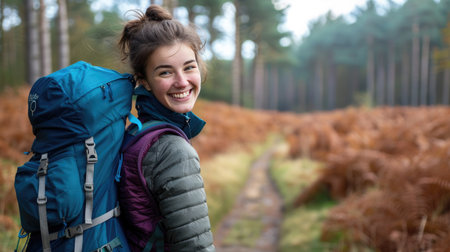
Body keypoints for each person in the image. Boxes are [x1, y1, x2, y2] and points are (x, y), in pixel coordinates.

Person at [117, 4, 215, 252]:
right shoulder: (172, 150)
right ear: (144, 82)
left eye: (189, 67)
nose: (182, 82)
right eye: (165, 72)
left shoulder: (136, 134)